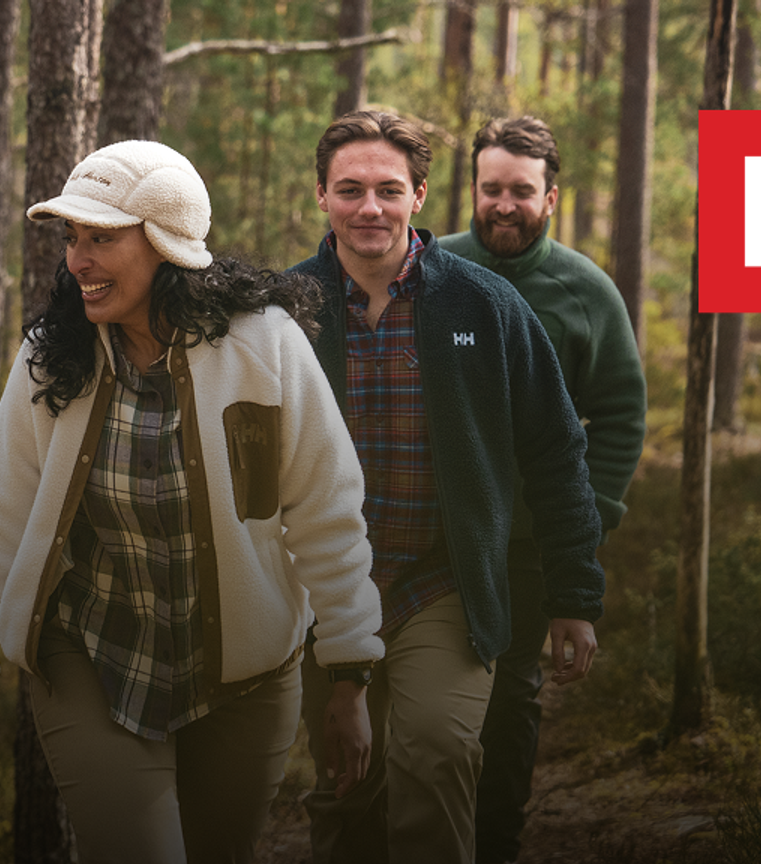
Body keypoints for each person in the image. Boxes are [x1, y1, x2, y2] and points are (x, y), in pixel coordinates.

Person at [0, 140, 385, 864]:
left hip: (245, 675)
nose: (78, 261)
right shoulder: (52, 356)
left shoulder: (265, 346)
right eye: (72, 238)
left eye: (101, 239)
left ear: (167, 244)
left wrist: (351, 671)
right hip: (88, 654)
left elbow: (326, 513)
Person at [288, 110, 608, 864]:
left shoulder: (484, 305)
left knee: (436, 754)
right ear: (322, 196)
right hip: (320, 593)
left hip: (443, 584)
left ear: (420, 196)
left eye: (389, 190)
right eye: (350, 190)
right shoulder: (285, 311)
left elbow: (557, 450)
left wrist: (574, 596)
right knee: (346, 790)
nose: (370, 208)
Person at [439, 116, 647, 864]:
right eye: (492, 188)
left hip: (527, 545)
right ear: (473, 189)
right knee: (420, 704)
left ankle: (493, 845)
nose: (504, 204)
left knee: (507, 699)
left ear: (550, 198)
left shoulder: (586, 292)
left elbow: (620, 415)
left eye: (521, 191)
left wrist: (589, 529)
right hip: (431, 536)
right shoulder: (431, 272)